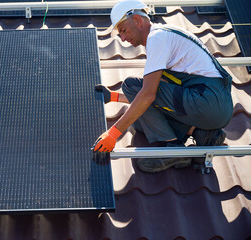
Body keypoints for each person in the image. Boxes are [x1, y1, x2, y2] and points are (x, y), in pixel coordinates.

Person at [93, 0, 233, 173]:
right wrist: (114, 97)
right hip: (214, 105)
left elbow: (148, 94)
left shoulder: (157, 38)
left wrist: (113, 133)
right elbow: (163, 93)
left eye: (123, 30)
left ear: (137, 20)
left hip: (208, 99)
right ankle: (201, 133)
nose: (122, 38)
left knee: (131, 85)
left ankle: (172, 149)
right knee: (140, 122)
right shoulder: (165, 34)